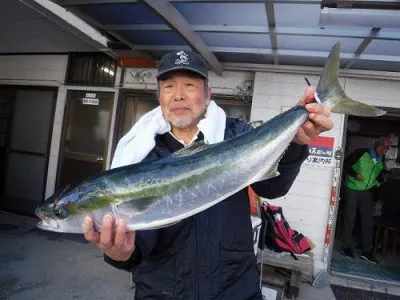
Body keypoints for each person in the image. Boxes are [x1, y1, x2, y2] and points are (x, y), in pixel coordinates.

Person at [82, 50, 333, 300]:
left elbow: (272, 188)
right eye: (168, 86)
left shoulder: (237, 134)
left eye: (190, 85)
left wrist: (296, 144)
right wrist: (122, 254)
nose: (178, 95)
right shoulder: (138, 154)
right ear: (159, 96)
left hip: (237, 291)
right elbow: (140, 239)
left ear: (208, 94)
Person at [340, 137, 391, 264]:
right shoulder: (361, 153)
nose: (383, 149)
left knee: (368, 222)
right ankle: (346, 247)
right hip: (352, 188)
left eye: (387, 148)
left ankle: (366, 251)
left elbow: (377, 175)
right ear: (376, 144)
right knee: (349, 218)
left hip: (367, 192)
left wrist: (381, 180)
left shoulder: (381, 159)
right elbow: (345, 164)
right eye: (382, 146)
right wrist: (354, 174)